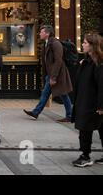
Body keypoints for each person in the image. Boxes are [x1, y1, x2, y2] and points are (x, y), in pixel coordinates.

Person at [24, 25, 73, 122]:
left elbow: (58, 61)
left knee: (63, 94)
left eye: (41, 32)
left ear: (47, 33)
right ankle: (36, 112)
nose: (40, 34)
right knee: (46, 94)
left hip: (58, 75)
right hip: (51, 75)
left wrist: (53, 77)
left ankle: (69, 115)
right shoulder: (46, 44)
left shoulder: (55, 44)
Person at [71, 33, 103, 167]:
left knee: (87, 129)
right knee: (85, 129)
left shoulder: (99, 64)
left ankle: (85, 156)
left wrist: (101, 106)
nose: (82, 45)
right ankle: (85, 154)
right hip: (83, 101)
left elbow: (102, 85)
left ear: (93, 46)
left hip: (92, 103)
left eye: (85, 43)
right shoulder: (85, 62)